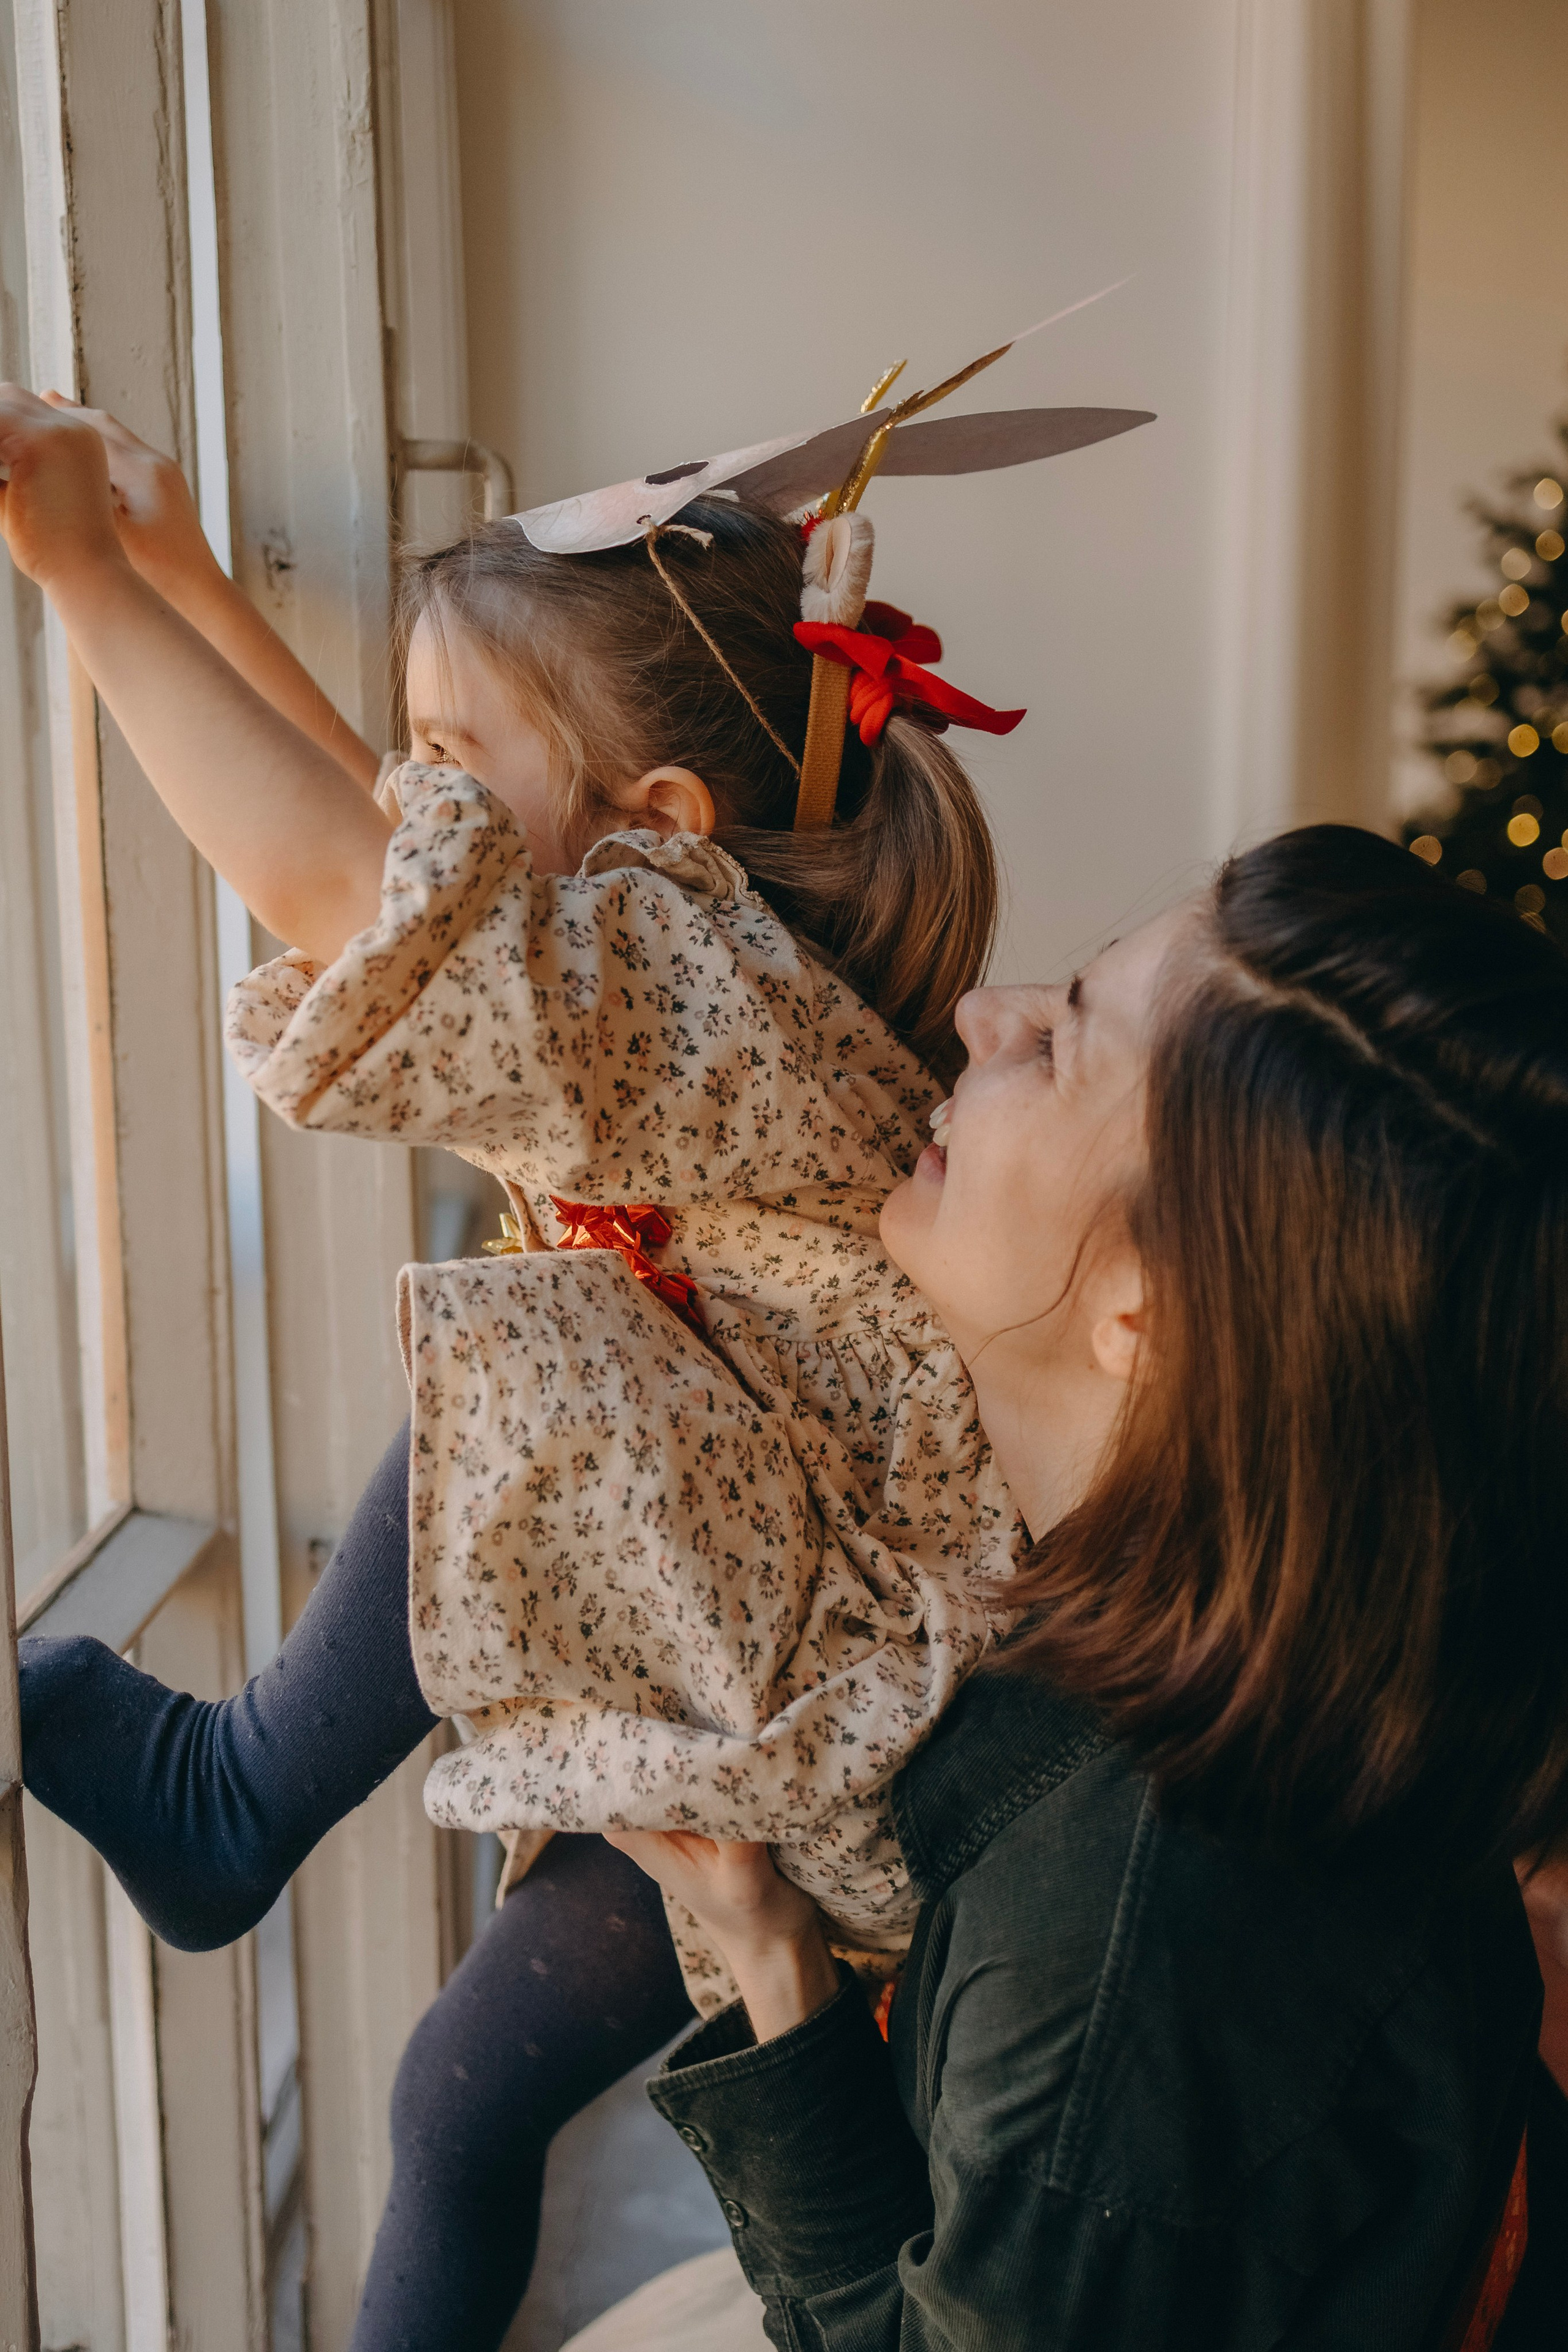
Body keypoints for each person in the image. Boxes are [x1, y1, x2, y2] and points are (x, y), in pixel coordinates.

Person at [0, 380, 1038, 2348]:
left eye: (463, 765)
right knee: (457, 2109)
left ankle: (235, 1794)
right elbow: (402, 873)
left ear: (655, 827)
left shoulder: (697, 984)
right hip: (785, 1643)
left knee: (553, 1347)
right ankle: (233, 1798)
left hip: (829, 1706)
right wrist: (185, 576)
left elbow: (374, 909)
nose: (423, 803)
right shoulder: (685, 950)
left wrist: (81, 586)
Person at [610, 826, 1568, 2349]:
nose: (987, 1011)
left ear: (1150, 1310)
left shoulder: (1125, 1949)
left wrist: (770, 1967)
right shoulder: (1296, 1652)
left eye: (1060, 1041)